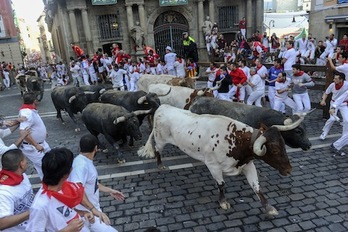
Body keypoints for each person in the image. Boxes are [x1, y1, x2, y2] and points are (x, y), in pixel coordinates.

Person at [26, 148, 95, 231]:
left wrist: (83, 213)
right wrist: (67, 230)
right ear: (67, 173)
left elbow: (63, 211)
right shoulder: (40, 205)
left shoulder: (63, 187)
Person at [68, 134, 125, 232]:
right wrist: (93, 210)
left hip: (91, 210)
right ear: (96, 148)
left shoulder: (83, 161)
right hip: (88, 213)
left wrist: (110, 190)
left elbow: (92, 183)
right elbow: (77, 189)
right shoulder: (81, 165)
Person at [0, 149, 34, 232]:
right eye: (25, 159)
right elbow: (2, 223)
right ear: (21, 164)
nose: (27, 162)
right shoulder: (4, 192)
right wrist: (32, 212)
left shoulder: (22, 176)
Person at [19, 92, 51, 180]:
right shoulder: (27, 112)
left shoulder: (30, 110)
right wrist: (36, 145)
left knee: (43, 166)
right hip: (33, 147)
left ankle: (47, 183)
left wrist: (42, 133)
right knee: (46, 166)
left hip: (41, 143)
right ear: (35, 101)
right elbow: (23, 133)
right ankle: (49, 185)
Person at [320, 72, 348, 140]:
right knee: (332, 119)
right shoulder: (332, 85)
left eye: (336, 79)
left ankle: (344, 136)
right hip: (334, 103)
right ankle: (324, 132)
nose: (334, 80)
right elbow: (326, 93)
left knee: (347, 120)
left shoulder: (347, 84)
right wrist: (323, 100)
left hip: (343, 104)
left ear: (341, 80)